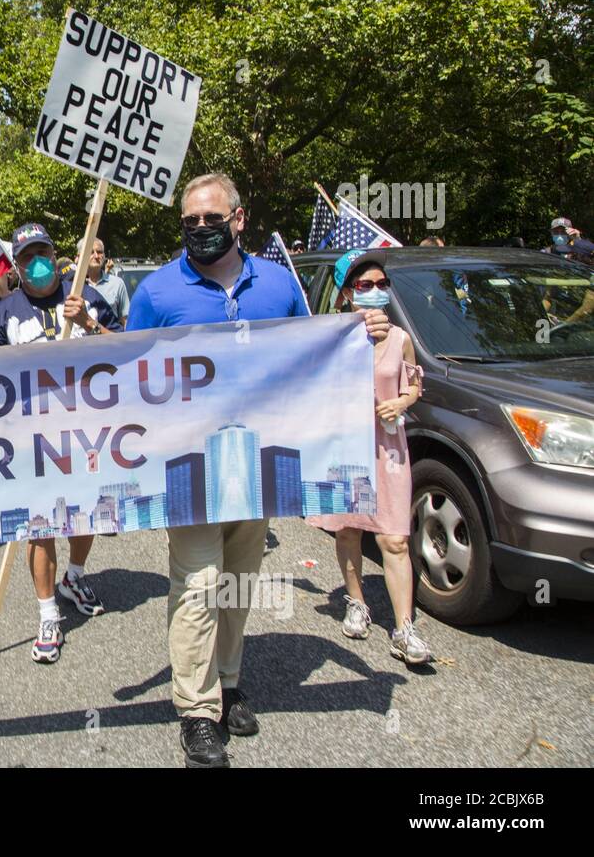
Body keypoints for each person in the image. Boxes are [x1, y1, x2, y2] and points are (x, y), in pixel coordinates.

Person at [126, 173, 390, 768]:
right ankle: (196, 712)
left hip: (259, 466)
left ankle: (226, 681)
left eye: (210, 219)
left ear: (238, 220)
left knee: (237, 583)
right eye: (189, 221)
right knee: (196, 586)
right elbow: (121, 374)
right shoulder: (158, 291)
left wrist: (360, 335)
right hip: (187, 469)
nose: (199, 228)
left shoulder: (277, 284)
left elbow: (314, 352)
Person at [0, 222, 119, 664]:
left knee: (86, 514)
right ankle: (48, 615)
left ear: (54, 251)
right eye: (26, 257)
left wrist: (87, 322)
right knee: (40, 527)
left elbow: (129, 351)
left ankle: (74, 577)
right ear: (17, 265)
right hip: (31, 443)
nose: (36, 262)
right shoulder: (4, 313)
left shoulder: (89, 295)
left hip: (90, 434)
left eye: (41, 251)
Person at [307, 250, 430, 664]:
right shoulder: (333, 338)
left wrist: (401, 402)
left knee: (394, 538)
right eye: (364, 285)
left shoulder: (401, 339)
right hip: (346, 446)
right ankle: (357, 601)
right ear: (346, 294)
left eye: (381, 285)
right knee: (348, 531)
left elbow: (414, 384)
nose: (375, 291)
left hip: (388, 447)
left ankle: (404, 628)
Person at [77, 236, 130, 326]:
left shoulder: (117, 284)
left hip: (111, 338)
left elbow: (125, 321)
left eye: (99, 252)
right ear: (80, 256)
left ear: (104, 255)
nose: (96, 256)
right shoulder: (74, 286)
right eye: (91, 252)